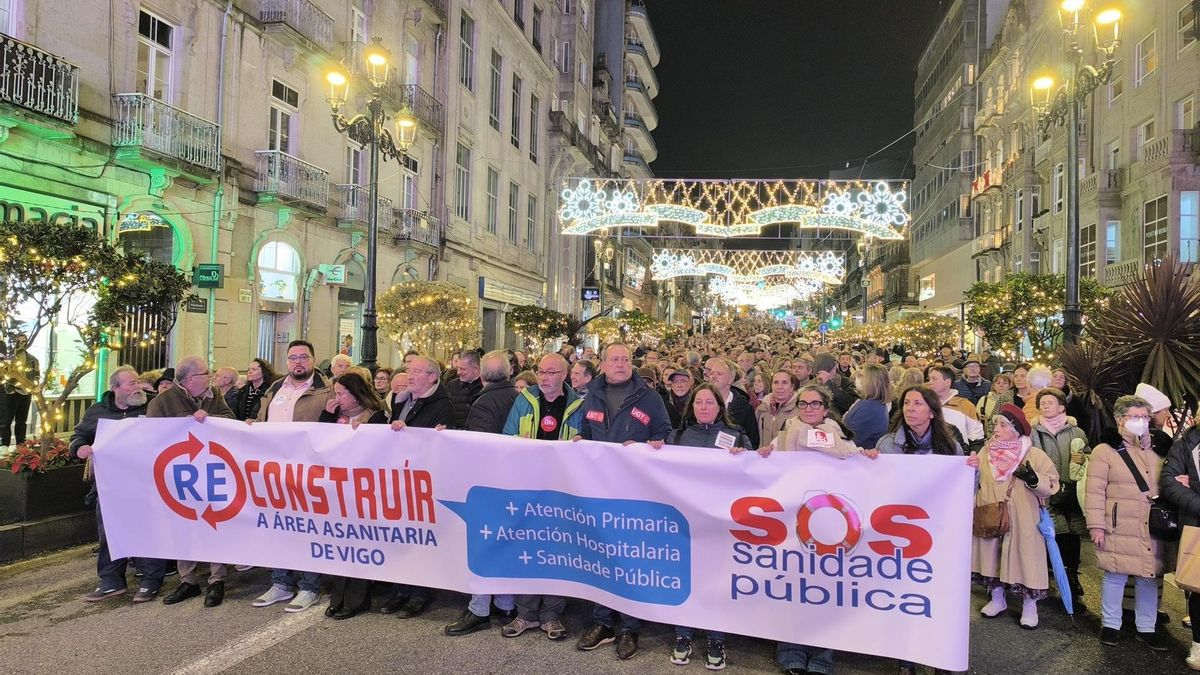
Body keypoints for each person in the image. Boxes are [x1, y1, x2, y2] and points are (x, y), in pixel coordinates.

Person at [757, 383, 870, 675]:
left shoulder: (831, 431)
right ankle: (791, 650)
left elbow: (843, 452)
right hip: (792, 518)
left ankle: (823, 654)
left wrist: (863, 455)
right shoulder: (786, 431)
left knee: (826, 587)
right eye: (804, 404)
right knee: (792, 585)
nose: (808, 409)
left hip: (827, 521)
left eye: (815, 404)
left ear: (825, 407)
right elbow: (769, 456)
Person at [574, 342, 672, 660]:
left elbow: (665, 433)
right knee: (602, 555)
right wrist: (579, 440)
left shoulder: (649, 397)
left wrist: (650, 447)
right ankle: (603, 624)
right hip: (600, 490)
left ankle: (630, 626)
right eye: (614, 359)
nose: (620, 364)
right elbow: (585, 430)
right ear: (602, 364)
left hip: (633, 492)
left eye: (625, 359)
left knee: (629, 557)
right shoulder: (593, 395)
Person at [665, 383, 749, 670]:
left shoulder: (736, 437)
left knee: (715, 581)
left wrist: (747, 458)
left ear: (719, 408)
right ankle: (683, 635)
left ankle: (716, 638)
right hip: (685, 522)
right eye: (698, 402)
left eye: (709, 403)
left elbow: (754, 478)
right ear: (692, 407)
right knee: (686, 578)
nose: (703, 407)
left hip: (719, 523)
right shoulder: (677, 436)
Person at [500, 352, 583, 642]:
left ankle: (551, 615)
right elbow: (508, 434)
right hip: (528, 484)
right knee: (528, 548)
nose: (545, 377)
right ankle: (525, 614)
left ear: (565, 375)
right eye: (541, 372)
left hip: (562, 488)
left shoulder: (578, 404)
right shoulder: (525, 400)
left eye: (551, 372)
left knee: (557, 551)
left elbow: (587, 443)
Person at [251, 340, 334, 613]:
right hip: (275, 470)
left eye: (303, 357)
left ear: (312, 360)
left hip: (309, 470)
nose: (298, 362)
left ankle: (309, 586)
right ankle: (281, 582)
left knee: (307, 528)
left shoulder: (326, 388)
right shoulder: (275, 388)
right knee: (279, 527)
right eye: (293, 357)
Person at [148, 356, 236, 608]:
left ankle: (217, 579)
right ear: (188, 379)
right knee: (183, 525)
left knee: (213, 522)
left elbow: (231, 419)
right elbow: (153, 437)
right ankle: (188, 579)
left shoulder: (213, 395)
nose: (210, 377)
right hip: (179, 474)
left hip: (211, 469)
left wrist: (209, 417)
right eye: (205, 373)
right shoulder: (161, 403)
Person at [446, 351, 521, 636]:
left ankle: (479, 607)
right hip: (516, 482)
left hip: (489, 483)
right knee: (505, 543)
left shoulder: (483, 403)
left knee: (484, 544)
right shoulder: (520, 398)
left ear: (482, 374)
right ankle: (505, 602)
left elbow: (481, 448)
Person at [1085, 394, 1168, 650]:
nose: (1141, 422)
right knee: (1115, 575)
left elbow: (1170, 479)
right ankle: (1111, 625)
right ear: (1120, 419)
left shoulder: (1158, 449)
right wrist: (1096, 525)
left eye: (1144, 417)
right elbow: (1095, 490)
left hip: (1149, 525)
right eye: (1135, 417)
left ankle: (1147, 627)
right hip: (1118, 524)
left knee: (1148, 577)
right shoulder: (1105, 451)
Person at [968, 404, 1059, 629]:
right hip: (989, 512)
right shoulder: (985, 452)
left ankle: (1030, 606)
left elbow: (1053, 484)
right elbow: (974, 479)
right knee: (991, 556)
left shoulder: (1033, 454)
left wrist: (1033, 478)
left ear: (1016, 429)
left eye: (1003, 425)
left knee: (1026, 558)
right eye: (996, 424)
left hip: (1023, 517)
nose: (996, 429)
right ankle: (997, 599)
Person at [73, 366, 160, 603]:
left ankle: (150, 582)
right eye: (131, 384)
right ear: (115, 388)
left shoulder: (152, 406)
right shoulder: (97, 412)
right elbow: (79, 436)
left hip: (147, 484)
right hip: (110, 486)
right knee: (110, 534)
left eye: (138, 381)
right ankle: (111, 582)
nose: (137, 387)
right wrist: (79, 448)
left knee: (147, 532)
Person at [383, 355, 455, 617]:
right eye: (408, 371)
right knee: (400, 536)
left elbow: (440, 439)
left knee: (420, 538)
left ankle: (420, 593)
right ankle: (401, 589)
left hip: (424, 480)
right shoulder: (404, 399)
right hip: (401, 475)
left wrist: (411, 432)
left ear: (433, 377)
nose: (409, 376)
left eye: (416, 372)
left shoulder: (442, 404)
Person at [318, 372, 389, 620]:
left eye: (341, 393)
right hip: (337, 485)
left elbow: (379, 450)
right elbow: (318, 442)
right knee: (340, 542)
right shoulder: (336, 416)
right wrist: (327, 416)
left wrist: (363, 434)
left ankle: (357, 598)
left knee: (359, 542)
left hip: (362, 488)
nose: (337, 398)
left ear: (355, 395)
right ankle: (338, 596)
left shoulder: (375, 416)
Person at [1032, 388, 1091, 599]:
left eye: (1050, 402)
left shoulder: (1077, 432)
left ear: (1061, 407)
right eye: (1043, 403)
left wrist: (1083, 459)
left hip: (1071, 491)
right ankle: (1048, 576)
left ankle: (1071, 575)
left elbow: (1088, 455)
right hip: (1044, 492)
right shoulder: (1034, 432)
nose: (1046, 406)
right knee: (1050, 534)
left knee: (1072, 535)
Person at [1159, 416, 1200, 668]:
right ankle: (1198, 644)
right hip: (1197, 524)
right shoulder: (1186, 444)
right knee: (1199, 588)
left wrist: (1194, 483)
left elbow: (1184, 483)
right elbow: (1170, 482)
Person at [876, 385, 963, 456]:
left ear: (932, 412)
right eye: (906, 403)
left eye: (917, 403)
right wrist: (869, 462)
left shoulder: (951, 447)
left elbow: (962, 476)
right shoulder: (886, 445)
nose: (909, 408)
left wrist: (973, 467)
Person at [703, 357, 760, 449]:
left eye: (719, 374)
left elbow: (753, 441)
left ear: (730, 379)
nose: (713, 376)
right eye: (712, 373)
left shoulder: (744, 408)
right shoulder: (699, 403)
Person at [927, 365, 984, 451]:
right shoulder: (924, 403)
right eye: (929, 379)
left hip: (956, 456)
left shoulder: (965, 405)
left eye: (934, 379)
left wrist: (971, 456)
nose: (930, 382)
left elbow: (977, 437)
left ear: (947, 382)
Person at [0, 335, 38, 449]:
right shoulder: (8, 358)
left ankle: (21, 444)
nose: (21, 343)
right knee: (6, 420)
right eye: (19, 340)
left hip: (25, 393)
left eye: (24, 341)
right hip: (9, 392)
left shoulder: (32, 359)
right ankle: (4, 444)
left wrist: (33, 386)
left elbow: (37, 375)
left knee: (22, 420)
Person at [843, 363, 890, 451]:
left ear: (871, 382)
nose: (860, 380)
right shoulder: (871, 403)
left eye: (862, 376)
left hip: (859, 455)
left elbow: (851, 437)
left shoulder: (871, 408)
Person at [756, 370, 799, 449]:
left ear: (792, 387)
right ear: (771, 385)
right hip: (764, 457)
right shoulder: (761, 409)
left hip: (787, 458)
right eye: (776, 382)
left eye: (784, 383)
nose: (779, 387)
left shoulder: (799, 411)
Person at [1135, 382, 1175, 458]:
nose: (1169, 415)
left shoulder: (1129, 437)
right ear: (1153, 413)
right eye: (1166, 410)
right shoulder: (1161, 440)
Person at [445, 350, 482, 429]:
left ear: (476, 369)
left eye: (463, 369)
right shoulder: (452, 385)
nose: (458, 372)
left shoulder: (485, 387)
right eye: (458, 368)